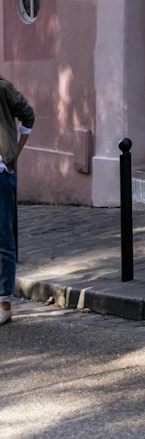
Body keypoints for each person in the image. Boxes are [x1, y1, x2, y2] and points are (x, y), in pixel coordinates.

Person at [0, 74, 35, 326]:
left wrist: (13, 154)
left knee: (3, 238)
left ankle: (4, 303)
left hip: (1, 174)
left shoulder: (2, 89)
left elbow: (28, 115)